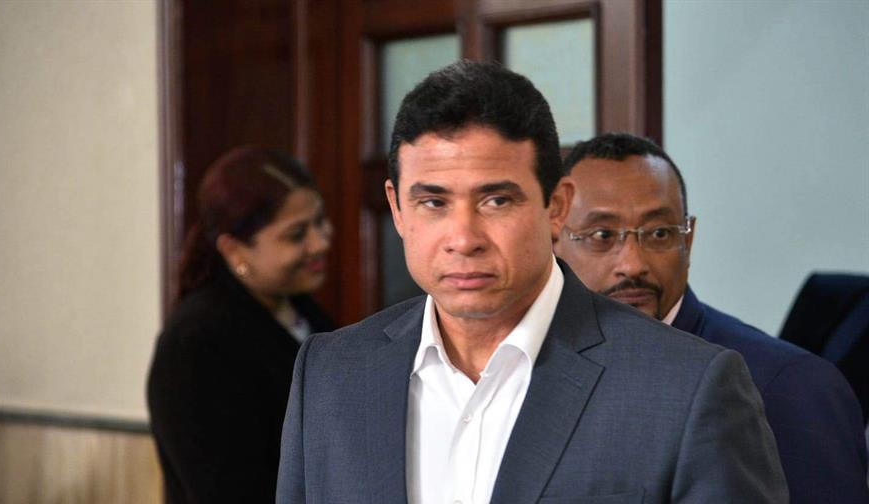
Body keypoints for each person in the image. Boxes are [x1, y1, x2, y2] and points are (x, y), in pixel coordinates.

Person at [277, 60, 787, 503]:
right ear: (397, 208)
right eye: (433, 202)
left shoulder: (686, 387)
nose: (463, 238)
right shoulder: (332, 373)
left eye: (496, 201)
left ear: (557, 207)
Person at [554, 132, 869, 503]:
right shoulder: (533, 365)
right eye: (602, 235)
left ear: (687, 243)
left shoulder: (791, 386)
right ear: (553, 242)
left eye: (659, 233)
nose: (633, 264)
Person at [147, 146, 334, 503]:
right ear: (234, 250)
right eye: (297, 234)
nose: (320, 242)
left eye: (320, 221)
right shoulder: (197, 342)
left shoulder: (301, 309)